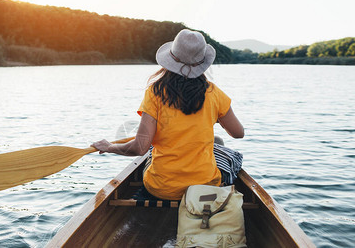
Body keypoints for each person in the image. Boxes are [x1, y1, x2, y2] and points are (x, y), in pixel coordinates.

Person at [92, 29, 244, 200]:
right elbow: (238, 133)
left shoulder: (154, 93)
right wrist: (217, 117)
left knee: (152, 149)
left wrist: (109, 147)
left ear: (171, 59)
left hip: (162, 189)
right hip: (204, 187)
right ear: (202, 63)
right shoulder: (215, 94)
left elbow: (140, 147)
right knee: (224, 148)